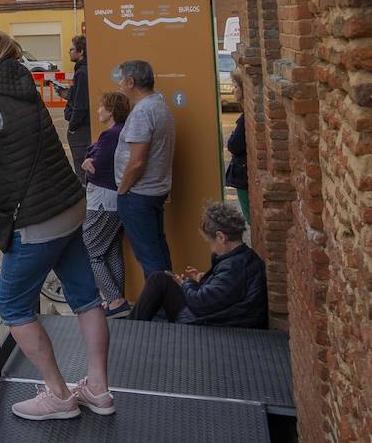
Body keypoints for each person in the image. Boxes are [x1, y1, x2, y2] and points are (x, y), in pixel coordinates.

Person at [0, 28, 112, 423]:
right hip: (69, 203)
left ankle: (59, 394)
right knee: (86, 297)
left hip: (36, 218)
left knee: (10, 303)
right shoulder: (24, 84)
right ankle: (98, 388)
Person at [132, 201, 267, 328]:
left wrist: (187, 284)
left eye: (210, 242)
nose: (211, 249)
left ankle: (131, 326)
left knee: (158, 280)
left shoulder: (234, 267)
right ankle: (132, 324)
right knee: (160, 278)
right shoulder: (243, 257)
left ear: (221, 237)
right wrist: (204, 281)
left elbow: (200, 304)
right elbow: (221, 293)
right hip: (217, 314)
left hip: (213, 322)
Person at [115, 59, 177, 277]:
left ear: (131, 82)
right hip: (154, 190)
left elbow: (137, 161)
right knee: (158, 252)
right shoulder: (159, 104)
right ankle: (170, 302)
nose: (119, 85)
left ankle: (160, 309)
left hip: (138, 194)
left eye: (121, 80)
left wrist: (122, 190)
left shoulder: (143, 112)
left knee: (149, 257)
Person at [81, 91, 131, 318]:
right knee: (111, 251)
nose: (98, 110)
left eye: (101, 107)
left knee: (90, 251)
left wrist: (87, 161)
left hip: (101, 199)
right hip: (117, 199)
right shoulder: (124, 132)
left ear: (110, 111)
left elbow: (96, 167)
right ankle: (116, 302)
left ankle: (115, 299)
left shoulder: (110, 136)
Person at [56, 36, 91, 176]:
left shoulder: (82, 73)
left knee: (82, 168)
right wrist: (68, 95)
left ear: (80, 51)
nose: (68, 52)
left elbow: (81, 105)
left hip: (81, 128)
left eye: (71, 49)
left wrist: (72, 127)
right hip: (84, 126)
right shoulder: (84, 69)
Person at [225, 80, 249, 221]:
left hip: (242, 175)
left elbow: (234, 145)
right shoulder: (245, 116)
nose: (232, 90)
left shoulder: (245, 119)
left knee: (250, 217)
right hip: (243, 174)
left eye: (235, 86)